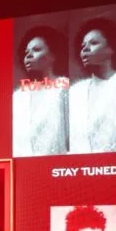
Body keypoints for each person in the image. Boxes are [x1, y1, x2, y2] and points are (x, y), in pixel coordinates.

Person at [68, 18, 116, 154]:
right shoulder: (76, 91)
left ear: (111, 48)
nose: (85, 49)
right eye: (82, 46)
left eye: (93, 43)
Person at [12, 26, 69, 156]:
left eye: (36, 50)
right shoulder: (18, 96)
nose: (28, 55)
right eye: (26, 52)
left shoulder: (64, 88)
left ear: (53, 55)